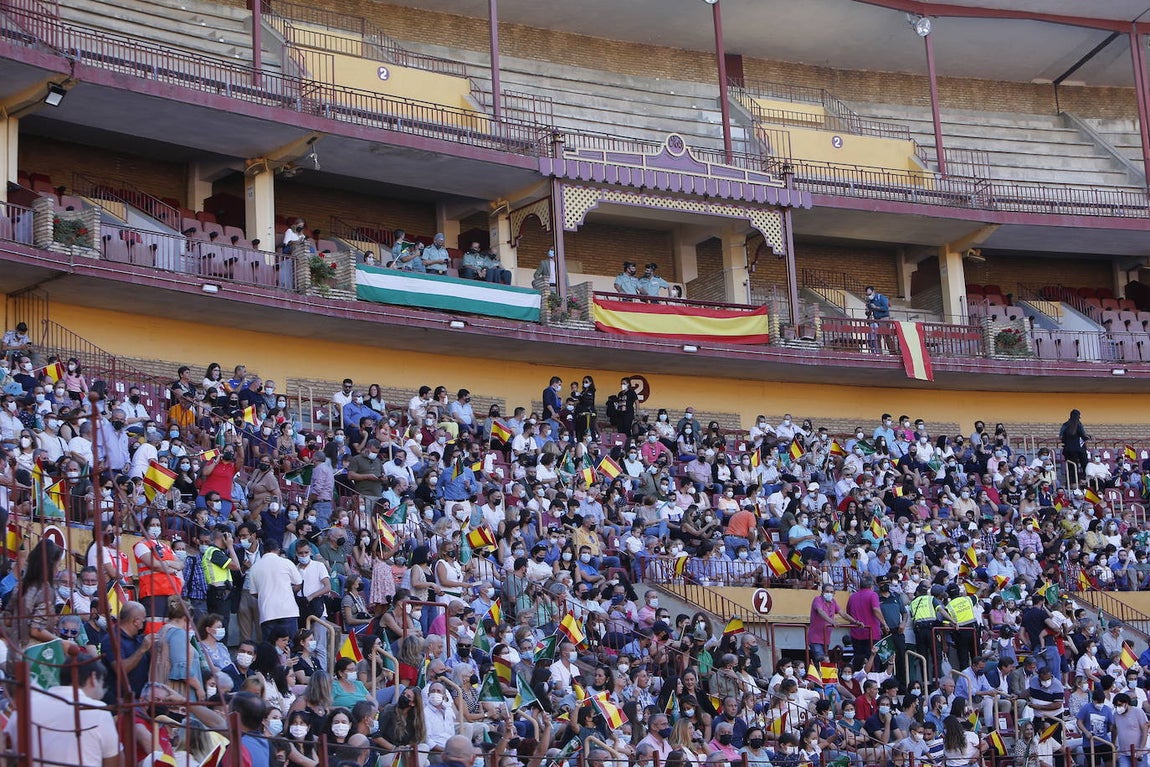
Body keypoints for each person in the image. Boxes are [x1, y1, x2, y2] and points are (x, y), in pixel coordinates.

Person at [3, 654, 120, 767]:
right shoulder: (98, 710)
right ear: (93, 678)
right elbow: (114, 761)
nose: (103, 691)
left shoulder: (27, 707)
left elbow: (8, 749)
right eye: (102, 684)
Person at [249, 537, 304, 641]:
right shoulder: (286, 563)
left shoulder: (255, 567)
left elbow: (253, 592)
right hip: (288, 610)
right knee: (290, 645)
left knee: (270, 648)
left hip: (267, 612)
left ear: (263, 550)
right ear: (278, 549)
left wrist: (264, 593)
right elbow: (298, 583)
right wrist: (288, 591)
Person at [845, 574, 884, 670]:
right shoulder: (873, 595)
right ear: (871, 586)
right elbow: (876, 610)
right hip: (871, 634)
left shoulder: (852, 597)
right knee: (873, 661)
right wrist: (884, 623)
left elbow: (848, 613)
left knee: (858, 661)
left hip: (856, 634)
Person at [1060, 409, 1091, 478]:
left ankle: (1072, 482)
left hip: (1068, 450)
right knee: (1085, 466)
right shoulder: (1078, 424)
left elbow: (1061, 437)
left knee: (1071, 467)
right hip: (1080, 450)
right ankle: (1086, 481)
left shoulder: (1065, 425)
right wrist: (1089, 437)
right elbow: (1084, 436)